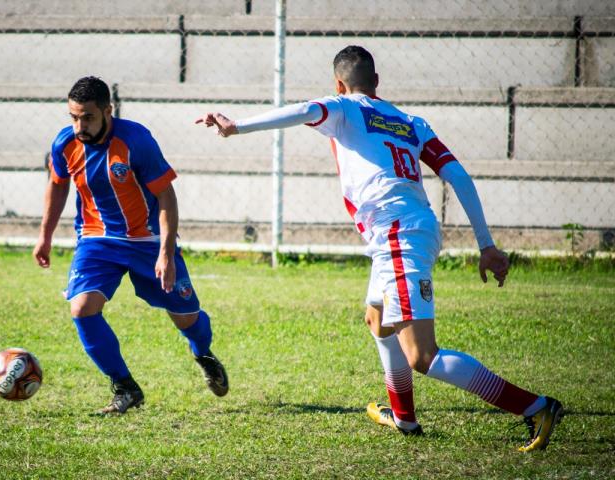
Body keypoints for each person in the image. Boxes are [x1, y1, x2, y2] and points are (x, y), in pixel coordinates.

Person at [195, 46, 563, 451]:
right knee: (377, 319)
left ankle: (535, 407)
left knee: (422, 356)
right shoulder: (410, 121)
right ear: (377, 83)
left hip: (395, 234)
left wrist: (237, 126)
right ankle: (403, 417)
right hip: (412, 227)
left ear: (339, 84)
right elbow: (457, 176)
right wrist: (485, 244)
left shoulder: (343, 107)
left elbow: (303, 110)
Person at [34, 76, 228, 415]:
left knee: (186, 317)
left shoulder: (135, 139)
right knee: (81, 308)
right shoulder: (65, 144)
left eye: (88, 117)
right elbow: (58, 185)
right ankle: (125, 387)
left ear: (108, 110)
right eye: (73, 117)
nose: (80, 125)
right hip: (97, 239)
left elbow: (166, 196)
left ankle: (204, 354)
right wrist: (45, 236)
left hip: (148, 241)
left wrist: (165, 254)